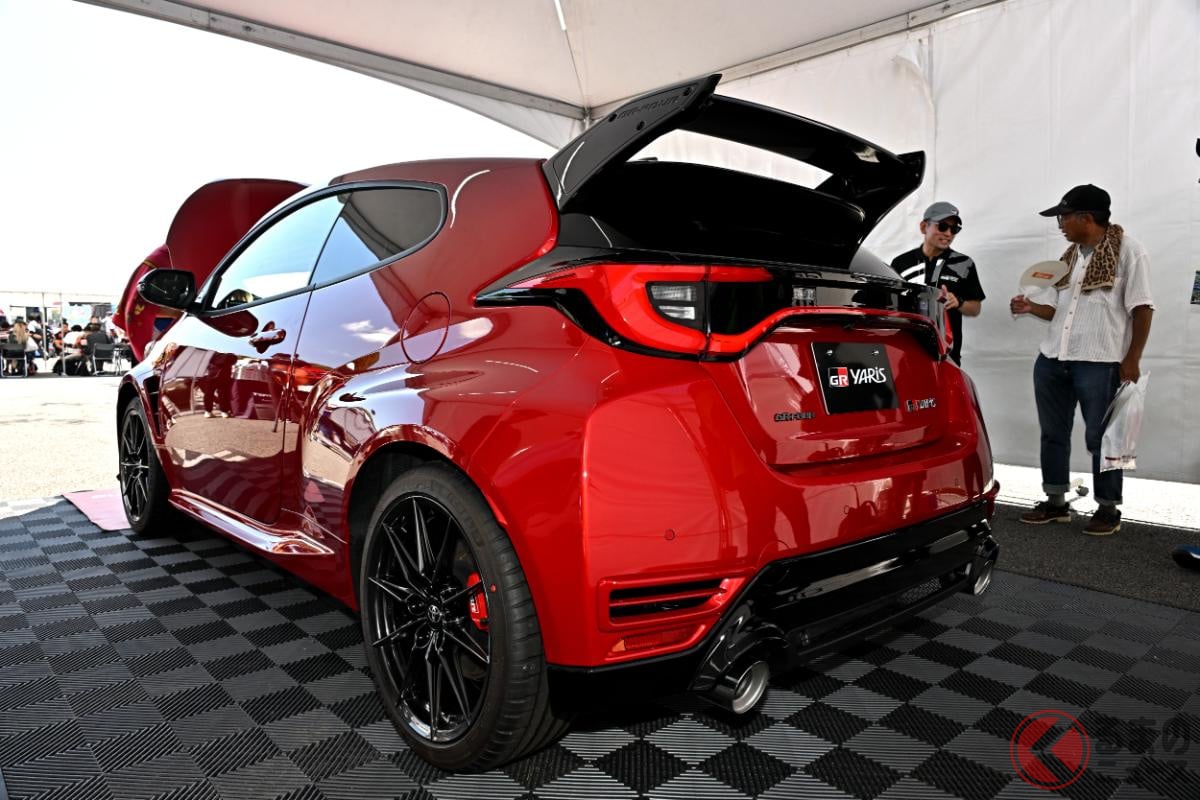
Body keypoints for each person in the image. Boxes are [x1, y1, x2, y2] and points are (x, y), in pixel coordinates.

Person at [1010, 184, 1154, 535]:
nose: (1060, 224)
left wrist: (1132, 359)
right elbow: (1058, 311)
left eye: (1064, 217)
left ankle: (1108, 508)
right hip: (1052, 357)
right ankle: (1056, 502)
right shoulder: (1069, 257)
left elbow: (1142, 308)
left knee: (1103, 437)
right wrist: (1031, 307)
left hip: (1100, 361)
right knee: (1053, 434)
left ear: (1086, 218)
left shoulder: (1129, 251)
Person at [890, 201, 985, 365]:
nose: (948, 233)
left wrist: (958, 302)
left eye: (954, 229)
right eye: (942, 226)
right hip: (906, 349)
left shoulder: (964, 263)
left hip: (947, 354)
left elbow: (975, 308)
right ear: (923, 227)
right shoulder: (901, 263)